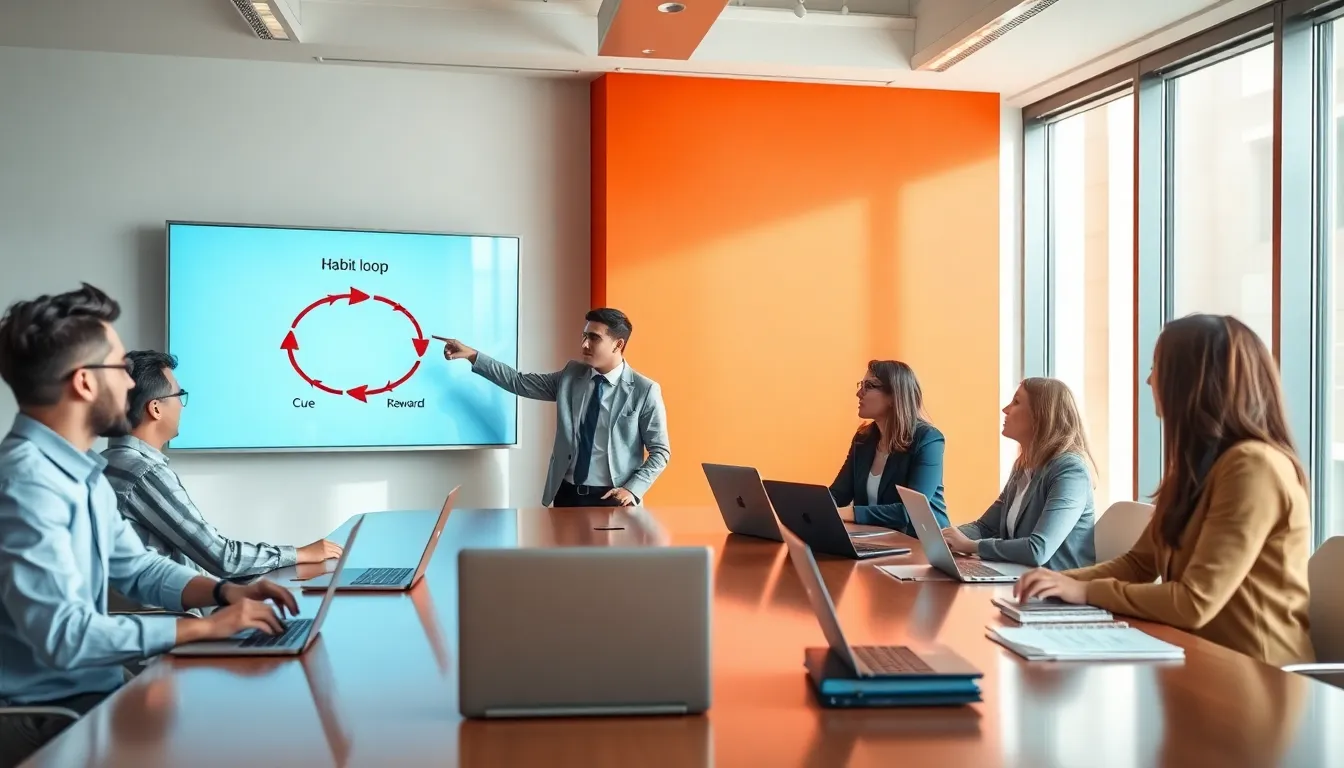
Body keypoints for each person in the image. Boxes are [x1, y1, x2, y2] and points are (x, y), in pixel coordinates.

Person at [0, 284, 300, 766]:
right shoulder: (26, 483)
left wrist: (225, 593)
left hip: (92, 693)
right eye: (120, 368)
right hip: (46, 717)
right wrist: (202, 632)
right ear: (84, 382)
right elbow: (64, 636)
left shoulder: (82, 473)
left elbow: (139, 570)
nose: (130, 384)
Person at [1016, 314, 1314, 667]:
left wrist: (1083, 591)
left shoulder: (1254, 467)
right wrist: (1055, 583)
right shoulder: (1196, 468)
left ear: (1192, 381)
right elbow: (1139, 563)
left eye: (1157, 367)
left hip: (1256, 675)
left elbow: (1193, 603)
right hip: (1197, 659)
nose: (1149, 379)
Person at [102, 350, 341, 580]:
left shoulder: (108, 462)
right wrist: (301, 554)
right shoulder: (144, 473)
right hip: (166, 616)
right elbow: (221, 558)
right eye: (179, 395)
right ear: (155, 409)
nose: (182, 406)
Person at [440, 308, 669, 507]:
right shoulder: (571, 376)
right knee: (564, 558)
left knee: (609, 559)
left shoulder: (644, 390)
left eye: (594, 338)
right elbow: (518, 382)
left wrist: (632, 489)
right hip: (567, 494)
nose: (584, 344)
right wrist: (472, 355)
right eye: (583, 336)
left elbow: (660, 451)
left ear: (618, 344)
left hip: (612, 498)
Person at [940, 378, 1096, 569]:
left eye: (1016, 402)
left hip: (1056, 588)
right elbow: (986, 527)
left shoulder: (1070, 471)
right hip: (1018, 578)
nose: (1005, 409)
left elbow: (1038, 549)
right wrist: (946, 536)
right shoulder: (1022, 467)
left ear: (1040, 415)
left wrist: (972, 546)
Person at [829, 360, 947, 535]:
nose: (859, 393)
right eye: (861, 385)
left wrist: (846, 513)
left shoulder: (928, 440)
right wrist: (805, 509)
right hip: (877, 541)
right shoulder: (863, 439)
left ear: (894, 396)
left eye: (869, 386)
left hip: (923, 546)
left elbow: (909, 511)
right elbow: (839, 494)